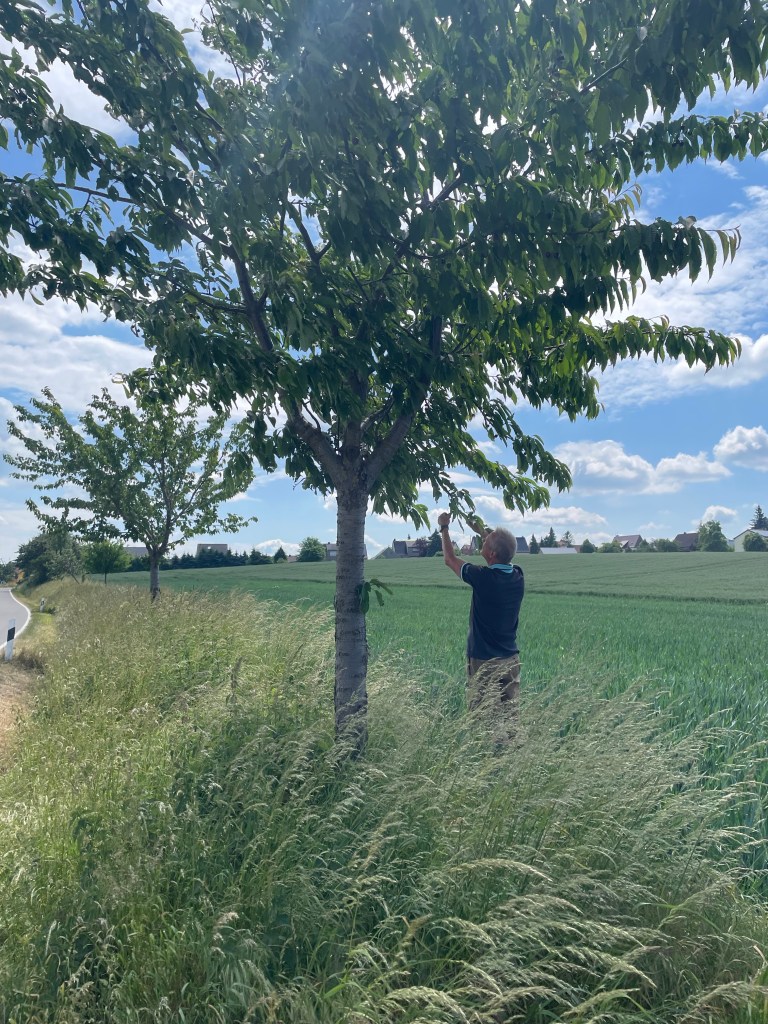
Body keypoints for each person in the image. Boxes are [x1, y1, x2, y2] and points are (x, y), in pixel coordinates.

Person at [437, 512, 524, 729]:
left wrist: (444, 527)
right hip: (510, 659)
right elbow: (503, 548)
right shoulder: (518, 575)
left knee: (481, 720)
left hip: (484, 660)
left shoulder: (483, 577)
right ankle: (510, 749)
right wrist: (480, 530)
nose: (482, 541)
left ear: (492, 554)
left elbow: (450, 559)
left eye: (484, 541)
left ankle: (486, 748)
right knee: (510, 719)